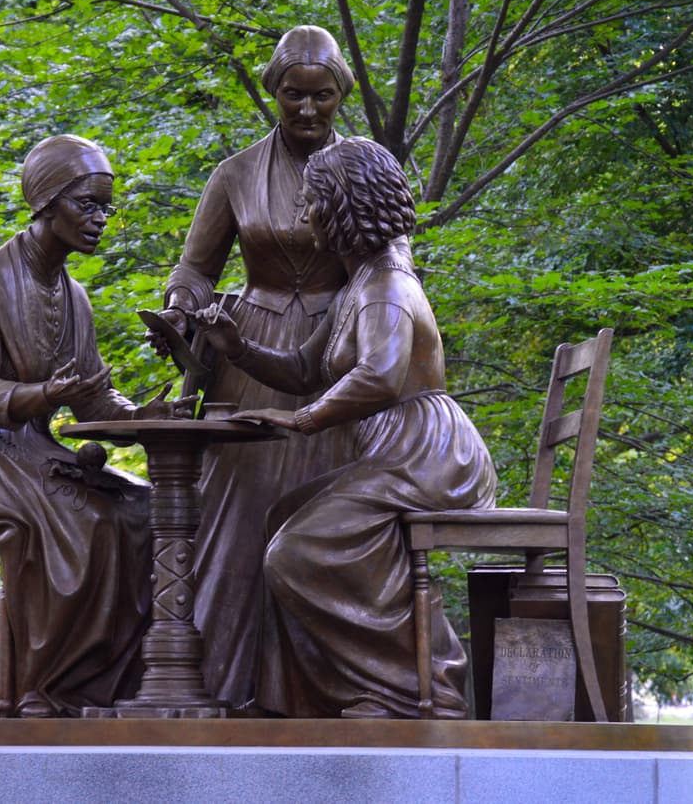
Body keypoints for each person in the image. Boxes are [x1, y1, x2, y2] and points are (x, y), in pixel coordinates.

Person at [147, 25, 411, 708]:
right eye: (294, 94)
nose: (307, 109)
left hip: (341, 348)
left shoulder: (366, 167)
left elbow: (393, 260)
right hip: (254, 348)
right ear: (274, 92)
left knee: (326, 509)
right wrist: (180, 307)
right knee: (238, 514)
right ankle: (226, 682)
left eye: (322, 96)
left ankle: (326, 688)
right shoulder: (234, 173)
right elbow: (195, 267)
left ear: (340, 95)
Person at [193, 137, 497, 719]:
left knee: (296, 553)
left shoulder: (385, 287)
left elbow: (380, 378)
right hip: (395, 453)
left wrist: (303, 420)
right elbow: (307, 368)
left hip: (425, 456)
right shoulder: (357, 284)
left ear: (342, 207)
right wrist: (239, 347)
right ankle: (291, 701)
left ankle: (412, 690)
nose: (302, 216)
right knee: (280, 520)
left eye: (312, 203)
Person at [0, 134, 194, 718]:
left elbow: (91, 396)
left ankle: (92, 685)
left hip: (29, 452)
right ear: (46, 202)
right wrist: (41, 394)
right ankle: (31, 688)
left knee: (142, 511)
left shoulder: (75, 294)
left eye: (105, 206)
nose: (100, 218)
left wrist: (141, 415)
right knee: (78, 517)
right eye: (87, 204)